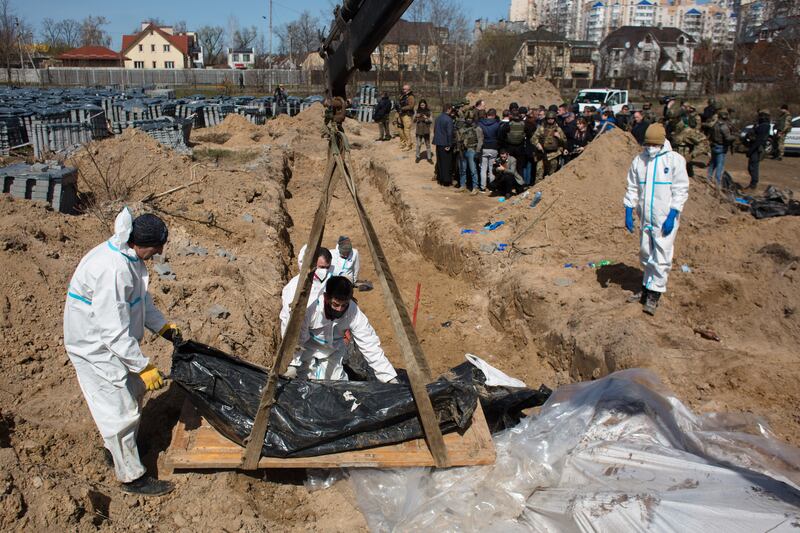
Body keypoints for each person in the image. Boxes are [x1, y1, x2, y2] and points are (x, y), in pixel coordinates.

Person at [63, 208, 177, 496]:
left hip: (112, 342)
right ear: (141, 243)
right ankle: (132, 477)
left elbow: (141, 300)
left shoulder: (130, 259)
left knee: (133, 392)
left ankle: (116, 450)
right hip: (95, 347)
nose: (159, 252)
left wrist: (163, 328)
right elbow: (112, 330)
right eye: (157, 247)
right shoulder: (112, 269)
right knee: (120, 409)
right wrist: (143, 366)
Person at [623, 124, 689, 316]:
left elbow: (680, 190)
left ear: (661, 143)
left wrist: (673, 214)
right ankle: (646, 287)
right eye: (647, 144)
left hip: (664, 218)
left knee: (661, 255)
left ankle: (654, 294)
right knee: (645, 253)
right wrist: (629, 208)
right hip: (646, 216)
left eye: (653, 144)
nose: (650, 147)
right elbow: (633, 187)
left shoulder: (674, 160)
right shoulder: (640, 161)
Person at [286, 276, 398, 383]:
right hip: (307, 350)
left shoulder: (353, 311)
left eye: (344, 305)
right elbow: (297, 337)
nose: (340, 309)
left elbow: (369, 344)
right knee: (303, 387)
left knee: (338, 388)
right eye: (335, 304)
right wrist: (293, 363)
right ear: (326, 297)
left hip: (334, 351)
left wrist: (389, 377)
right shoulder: (310, 308)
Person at [280, 246, 333, 336]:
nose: (324, 271)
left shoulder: (328, 280)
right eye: (321, 267)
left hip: (325, 336)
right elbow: (291, 321)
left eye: (327, 268)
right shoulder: (294, 287)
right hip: (304, 341)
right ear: (311, 264)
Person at [532, 110, 566, 183]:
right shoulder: (541, 128)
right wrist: (537, 144)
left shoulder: (558, 129)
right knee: (539, 172)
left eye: (552, 118)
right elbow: (533, 139)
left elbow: (564, 141)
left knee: (552, 173)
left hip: (554, 154)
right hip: (542, 153)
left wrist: (559, 137)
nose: (550, 120)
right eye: (548, 119)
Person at [707, 110, 734, 187]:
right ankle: (717, 182)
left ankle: (708, 178)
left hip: (714, 146)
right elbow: (728, 138)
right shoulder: (724, 126)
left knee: (713, 163)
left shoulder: (714, 125)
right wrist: (734, 137)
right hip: (721, 147)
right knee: (720, 165)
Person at [499, 109, 527, 182]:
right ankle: (520, 186)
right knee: (519, 168)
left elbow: (501, 136)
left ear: (511, 116)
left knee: (508, 167)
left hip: (509, 148)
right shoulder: (524, 124)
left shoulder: (508, 125)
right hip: (520, 148)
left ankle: (509, 186)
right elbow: (530, 134)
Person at [745, 109, 771, 190]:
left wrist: (751, 150)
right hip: (755, 147)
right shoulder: (761, 125)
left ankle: (753, 184)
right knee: (751, 167)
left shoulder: (764, 126)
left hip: (757, 148)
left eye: (761, 116)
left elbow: (759, 140)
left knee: (753, 167)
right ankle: (753, 183)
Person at [457, 113, 483, 194]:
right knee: (462, 169)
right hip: (463, 150)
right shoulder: (463, 128)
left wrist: (478, 151)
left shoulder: (477, 129)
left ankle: (475, 187)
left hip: (472, 150)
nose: (468, 120)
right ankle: (462, 185)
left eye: (470, 118)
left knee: (473, 170)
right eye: (467, 118)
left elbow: (480, 141)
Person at [478, 108, 501, 192]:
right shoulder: (497, 124)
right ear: (494, 115)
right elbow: (499, 135)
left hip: (484, 147)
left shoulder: (480, 123)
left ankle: (482, 187)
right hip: (494, 147)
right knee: (492, 168)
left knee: (483, 168)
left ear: (487, 114)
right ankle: (492, 187)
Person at [433, 103, 456, 187]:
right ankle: (446, 181)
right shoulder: (448, 119)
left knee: (440, 161)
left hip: (438, 142)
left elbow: (435, 130)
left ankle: (440, 179)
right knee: (447, 163)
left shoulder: (438, 118)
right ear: (449, 109)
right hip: (445, 143)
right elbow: (450, 133)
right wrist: (449, 144)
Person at [414, 99, 433, 164]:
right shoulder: (417, 111)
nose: (422, 106)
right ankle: (417, 157)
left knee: (428, 144)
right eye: (421, 105)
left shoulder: (429, 111)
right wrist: (416, 117)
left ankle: (429, 158)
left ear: (425, 104)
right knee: (418, 144)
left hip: (426, 130)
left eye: (423, 105)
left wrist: (426, 118)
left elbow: (431, 121)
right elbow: (413, 121)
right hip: (419, 129)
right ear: (419, 105)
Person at [398, 84, 416, 151]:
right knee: (400, 129)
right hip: (401, 114)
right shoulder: (403, 96)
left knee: (406, 130)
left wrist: (402, 108)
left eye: (405, 89)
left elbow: (411, 106)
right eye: (403, 89)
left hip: (407, 115)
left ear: (409, 89)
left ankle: (409, 145)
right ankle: (403, 143)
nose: (403, 90)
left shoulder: (411, 97)